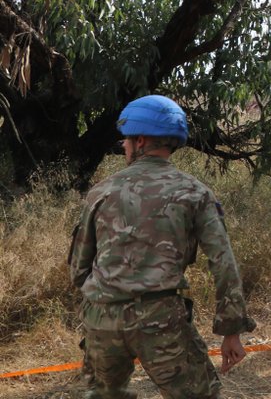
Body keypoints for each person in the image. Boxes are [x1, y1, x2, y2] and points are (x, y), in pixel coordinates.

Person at [68, 95, 256, 399]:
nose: (123, 147)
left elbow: (79, 269)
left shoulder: (100, 191)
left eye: (126, 141)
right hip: (161, 318)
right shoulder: (195, 192)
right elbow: (223, 263)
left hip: (100, 319)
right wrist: (231, 329)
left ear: (140, 140)